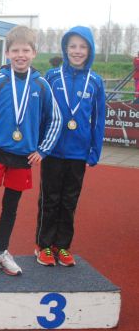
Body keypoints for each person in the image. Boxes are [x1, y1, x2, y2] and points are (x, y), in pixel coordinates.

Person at [0, 25, 62, 276]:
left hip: (23, 158)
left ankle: (1, 252)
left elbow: (56, 119)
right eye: (15, 51)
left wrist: (43, 150)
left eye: (25, 50)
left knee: (10, 208)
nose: (20, 55)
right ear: (7, 53)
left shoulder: (41, 85)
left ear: (34, 53)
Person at [35, 26, 105, 267]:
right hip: (52, 150)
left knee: (69, 201)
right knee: (49, 199)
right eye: (73, 46)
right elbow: (41, 113)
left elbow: (99, 119)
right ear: (65, 48)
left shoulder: (95, 82)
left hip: (79, 152)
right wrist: (38, 143)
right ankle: (44, 245)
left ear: (90, 50)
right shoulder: (52, 77)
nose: (77, 51)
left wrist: (95, 149)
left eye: (83, 47)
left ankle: (62, 246)